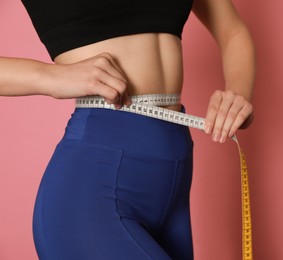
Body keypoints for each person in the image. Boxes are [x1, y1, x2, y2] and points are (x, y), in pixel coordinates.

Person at [0, 0, 255, 259]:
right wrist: (49, 77)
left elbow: (232, 30)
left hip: (174, 180)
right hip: (93, 190)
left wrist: (238, 93)